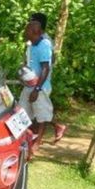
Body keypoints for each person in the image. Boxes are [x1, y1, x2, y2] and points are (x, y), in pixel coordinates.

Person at [19, 19, 66, 153]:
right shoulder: (31, 45)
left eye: (27, 29)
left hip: (40, 87)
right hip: (29, 85)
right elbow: (28, 63)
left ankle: (36, 144)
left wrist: (37, 89)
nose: (25, 32)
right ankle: (24, 139)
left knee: (41, 117)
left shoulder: (44, 45)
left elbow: (45, 68)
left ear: (34, 32)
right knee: (22, 113)